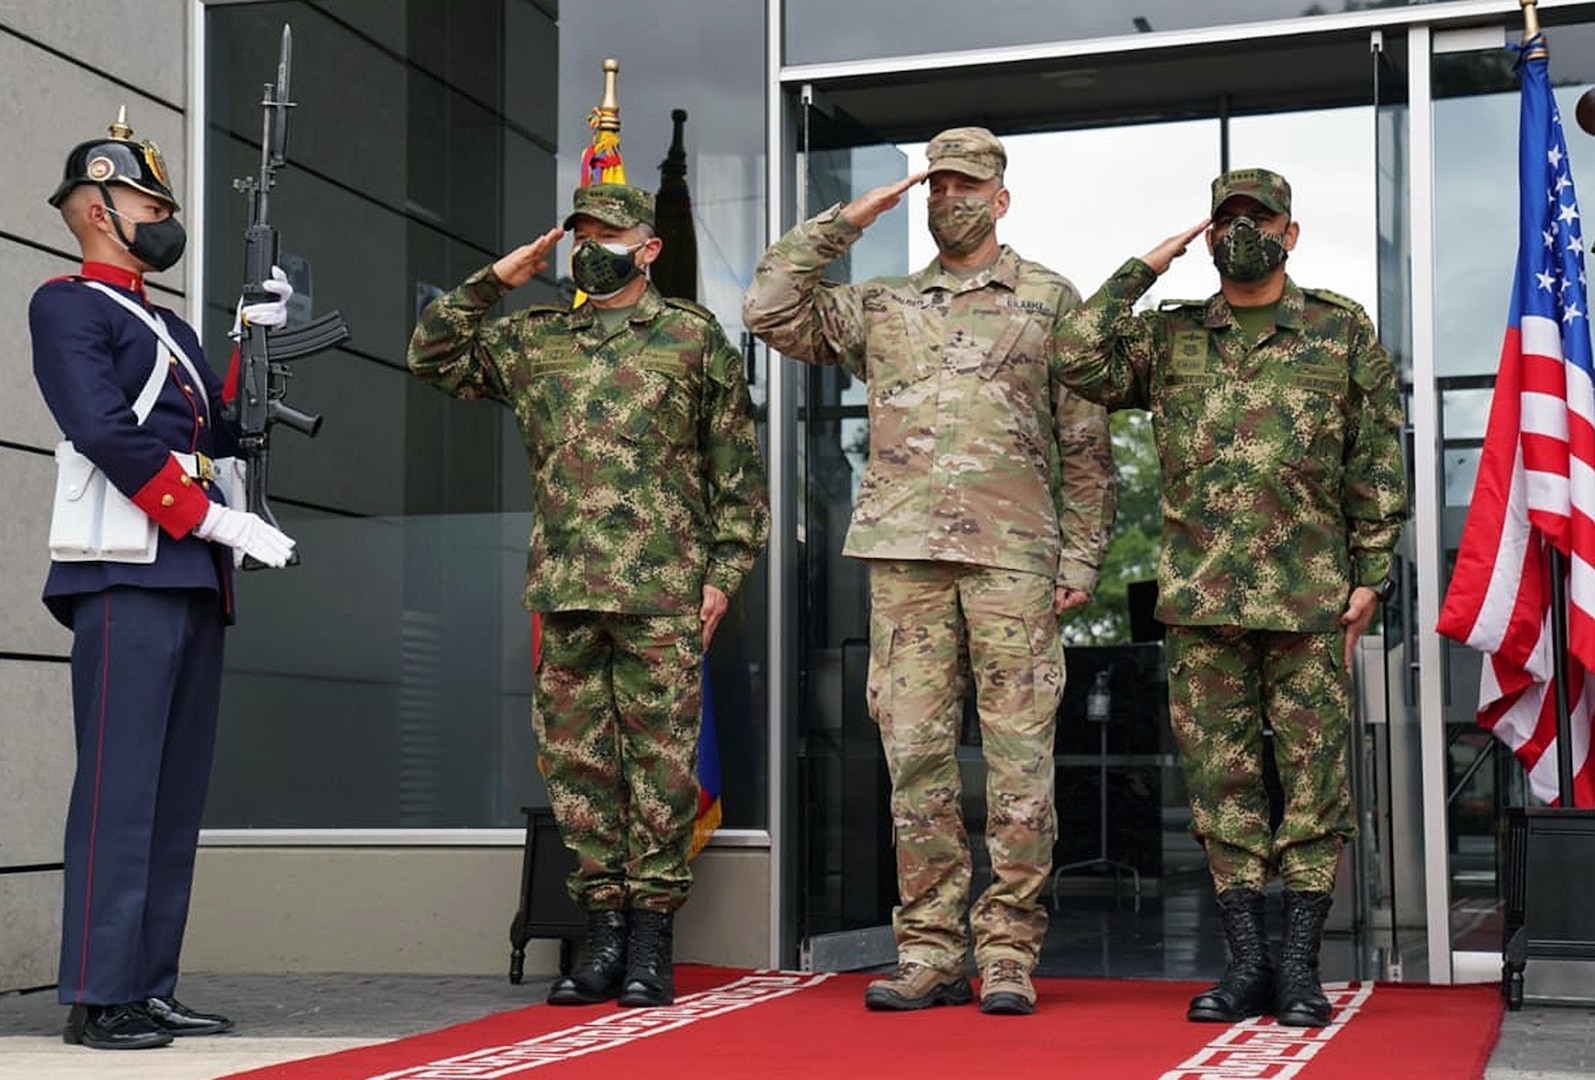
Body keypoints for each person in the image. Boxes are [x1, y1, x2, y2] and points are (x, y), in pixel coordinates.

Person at [743, 128, 1116, 1015]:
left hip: (1012, 559)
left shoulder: (1049, 299)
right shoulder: (881, 305)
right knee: (914, 760)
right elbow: (766, 307)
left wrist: (1083, 557)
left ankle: (1010, 952)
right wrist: (847, 220)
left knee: (1020, 764)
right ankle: (930, 950)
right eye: (937, 185)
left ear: (1000, 198)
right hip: (905, 561)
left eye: (968, 185)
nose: (951, 199)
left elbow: (1087, 445)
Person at [1054, 168, 1407, 1027]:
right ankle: (1244, 965)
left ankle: (1298, 968)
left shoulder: (1337, 329)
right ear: (1207, 235)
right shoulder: (1171, 335)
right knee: (1223, 787)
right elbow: (1074, 355)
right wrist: (1146, 266)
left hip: (1310, 600)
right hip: (1201, 603)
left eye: (1259, 218)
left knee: (1314, 785)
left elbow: (1374, 457)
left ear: (1290, 233)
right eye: (1225, 220)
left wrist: (1372, 573)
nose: (1241, 231)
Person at [408, 182, 769, 1009]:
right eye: (581, 233)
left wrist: (721, 578)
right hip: (566, 588)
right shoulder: (537, 339)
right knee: (579, 770)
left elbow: (737, 479)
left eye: (609, 233)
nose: (591, 246)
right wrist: (501, 276)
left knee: (662, 770)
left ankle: (651, 943)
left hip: (664, 591)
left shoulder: (690, 339)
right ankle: (601, 938)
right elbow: (430, 354)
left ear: (648, 248)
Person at [31, 111, 297, 1050]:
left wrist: (248, 340)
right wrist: (212, 518)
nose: (161, 215)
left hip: (189, 575)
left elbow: (216, 432)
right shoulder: (68, 304)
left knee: (173, 794)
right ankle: (99, 994)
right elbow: (104, 428)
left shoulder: (169, 323)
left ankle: (147, 984)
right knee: (118, 789)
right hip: (129, 570)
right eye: (148, 201)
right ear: (98, 208)